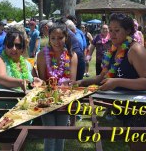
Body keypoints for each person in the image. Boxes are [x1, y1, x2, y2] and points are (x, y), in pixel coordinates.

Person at [73, 13, 146, 151]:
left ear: (128, 31)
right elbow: (100, 78)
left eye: (117, 30)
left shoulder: (135, 50)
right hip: (126, 108)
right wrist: (81, 82)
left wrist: (117, 82)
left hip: (141, 110)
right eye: (110, 30)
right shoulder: (113, 50)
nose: (112, 34)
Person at [37, 22, 77, 151]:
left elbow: (72, 82)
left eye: (60, 38)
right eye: (53, 38)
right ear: (49, 38)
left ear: (66, 38)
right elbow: (42, 81)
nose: (56, 41)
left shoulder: (72, 56)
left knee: (61, 134)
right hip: (46, 100)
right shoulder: (42, 55)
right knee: (50, 135)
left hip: (64, 101)